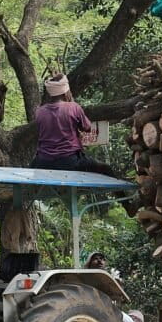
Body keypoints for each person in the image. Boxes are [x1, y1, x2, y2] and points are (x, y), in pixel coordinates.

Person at [31, 74, 137, 216]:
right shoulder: (73, 107)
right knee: (106, 169)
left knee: (28, 171)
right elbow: (87, 127)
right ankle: (127, 205)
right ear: (66, 91)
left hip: (43, 163)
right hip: (70, 162)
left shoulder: (40, 112)